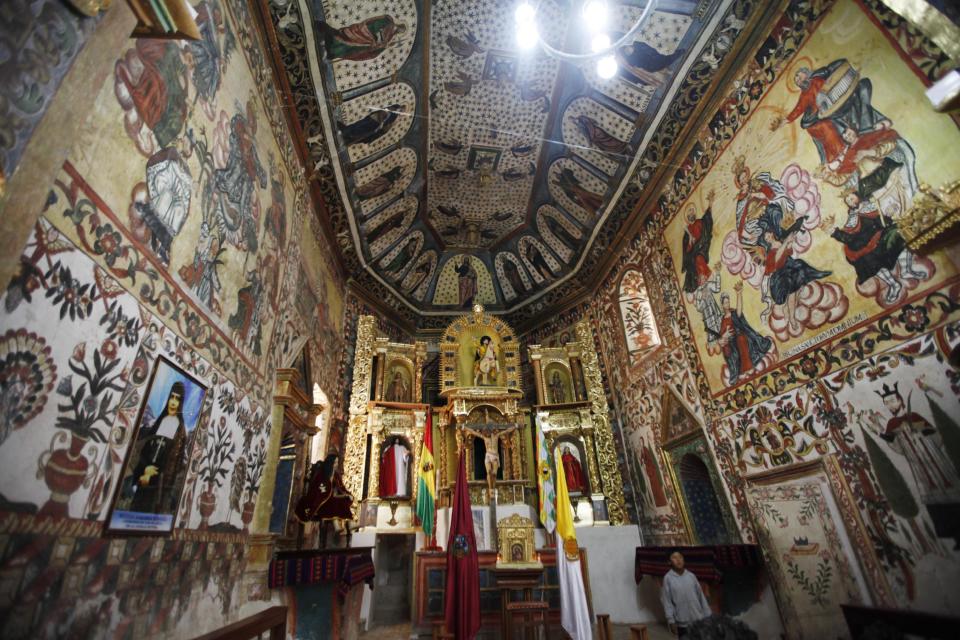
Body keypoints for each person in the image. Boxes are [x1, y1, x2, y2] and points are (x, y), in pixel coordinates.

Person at [130, 382, 188, 513]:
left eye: (177, 399)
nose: (173, 402)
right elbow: (145, 450)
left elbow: (175, 462)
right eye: (171, 397)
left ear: (181, 403)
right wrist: (144, 471)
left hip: (160, 487)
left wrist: (156, 475)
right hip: (144, 479)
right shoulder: (160, 421)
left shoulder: (180, 430)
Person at [661, 551, 712, 637]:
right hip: (682, 623)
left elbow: (701, 597)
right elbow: (667, 601)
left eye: (680, 557)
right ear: (669, 562)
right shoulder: (668, 579)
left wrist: (708, 615)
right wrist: (671, 621)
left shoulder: (691, 576)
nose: (678, 560)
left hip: (698, 619)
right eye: (674, 557)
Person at [463, 425, 518, 495]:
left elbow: (506, 431)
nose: (486, 433)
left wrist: (515, 427)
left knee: (494, 474)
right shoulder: (485, 438)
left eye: (487, 431)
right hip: (488, 456)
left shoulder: (497, 436)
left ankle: (493, 488)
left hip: (495, 456)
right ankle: (490, 489)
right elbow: (474, 432)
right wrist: (465, 427)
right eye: (485, 432)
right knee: (489, 472)